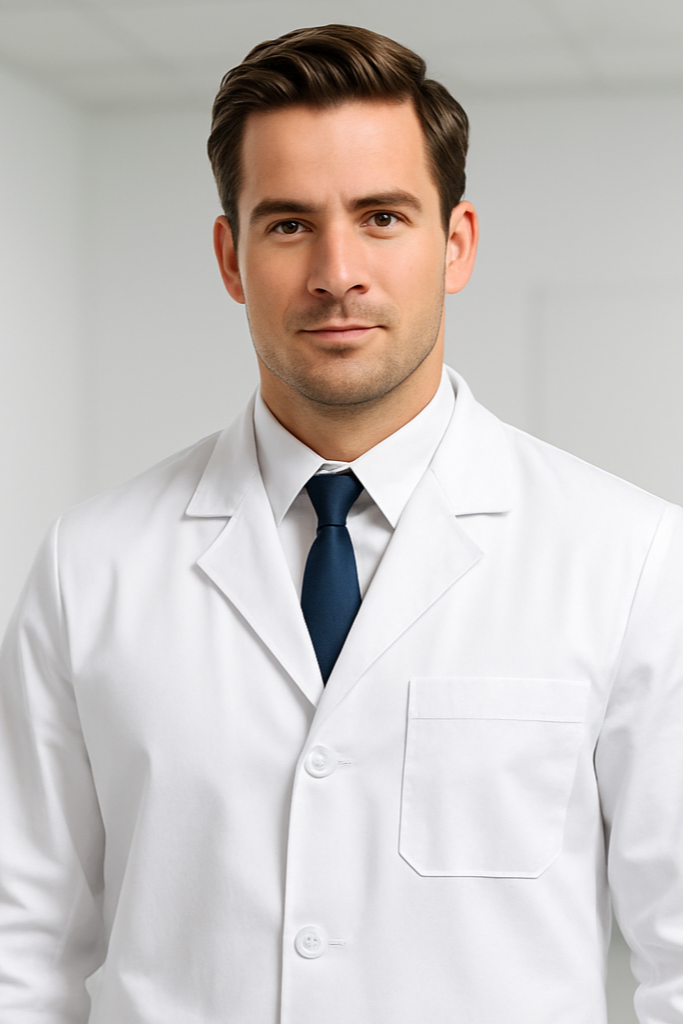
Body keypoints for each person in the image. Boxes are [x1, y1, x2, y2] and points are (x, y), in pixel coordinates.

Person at [1, 22, 682, 1024]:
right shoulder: (90, 566)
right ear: (231, 257)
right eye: (286, 224)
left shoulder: (626, 557)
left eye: (380, 217)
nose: (335, 271)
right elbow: (22, 946)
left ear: (453, 245)